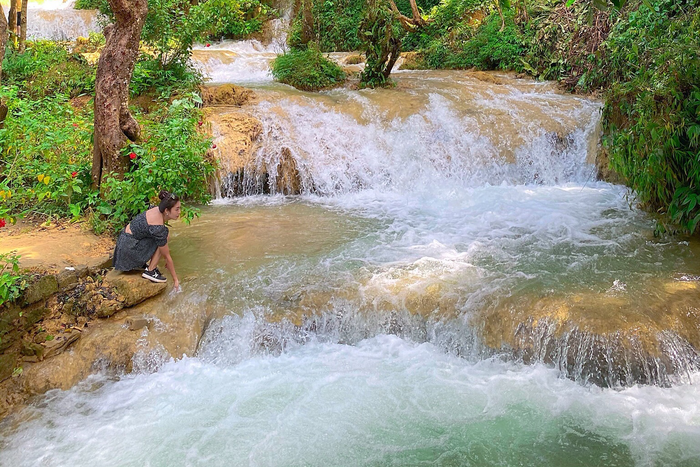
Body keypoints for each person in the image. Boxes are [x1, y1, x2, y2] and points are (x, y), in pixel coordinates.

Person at [112, 190, 180, 290]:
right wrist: (175, 280)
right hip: (128, 251)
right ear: (166, 211)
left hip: (124, 245)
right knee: (163, 237)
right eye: (177, 209)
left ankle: (149, 267)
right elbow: (167, 256)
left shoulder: (156, 210)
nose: (179, 212)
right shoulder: (157, 227)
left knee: (164, 234)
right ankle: (150, 271)